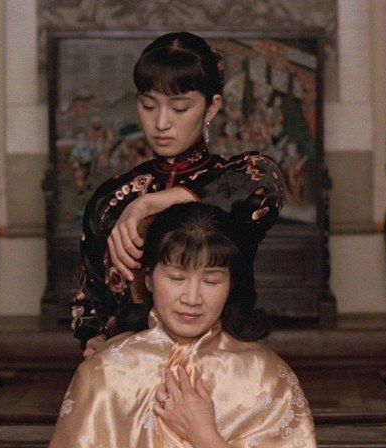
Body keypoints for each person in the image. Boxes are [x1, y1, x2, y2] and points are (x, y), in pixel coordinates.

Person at [71, 31, 286, 354]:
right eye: (148, 105)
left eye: (180, 108)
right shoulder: (110, 199)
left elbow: (267, 179)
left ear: (211, 108)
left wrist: (151, 203)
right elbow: (89, 300)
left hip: (222, 362)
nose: (161, 122)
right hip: (133, 365)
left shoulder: (236, 182)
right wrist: (93, 339)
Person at [50, 202, 317, 447]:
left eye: (211, 281)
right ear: (148, 279)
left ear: (231, 285)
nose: (192, 298)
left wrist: (205, 437)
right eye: (177, 278)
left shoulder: (265, 376)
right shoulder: (104, 371)